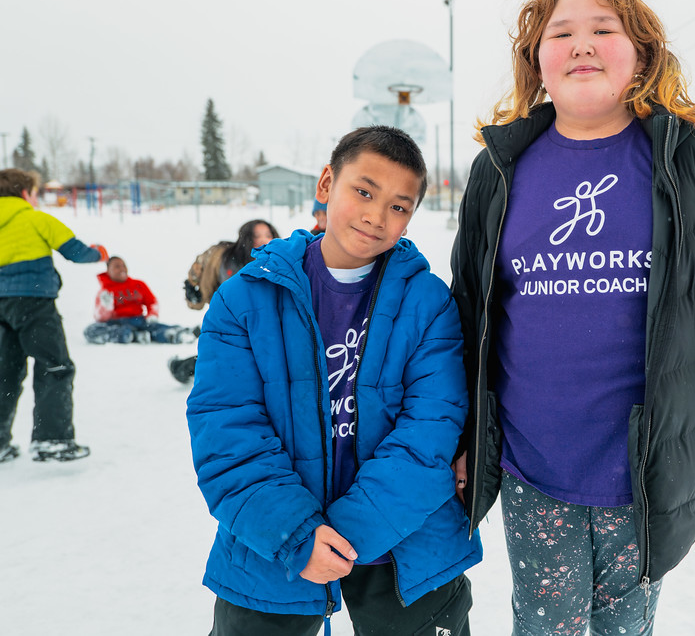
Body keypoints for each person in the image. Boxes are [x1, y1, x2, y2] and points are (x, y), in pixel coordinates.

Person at [450, 0, 695, 635]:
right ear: (536, 58)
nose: (582, 45)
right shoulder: (501, 169)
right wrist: (463, 439)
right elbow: (467, 317)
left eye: (604, 30)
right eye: (561, 33)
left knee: (625, 627)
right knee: (543, 626)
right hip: (531, 464)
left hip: (648, 472)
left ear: (643, 54)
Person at [186, 126, 482, 636]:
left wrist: (345, 534)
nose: (375, 215)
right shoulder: (243, 300)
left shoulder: (428, 303)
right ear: (326, 183)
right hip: (272, 539)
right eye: (363, 191)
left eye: (398, 206)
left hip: (404, 536)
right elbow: (227, 431)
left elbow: (431, 430)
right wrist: (297, 534)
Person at [0, 168, 109, 464]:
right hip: (34, 304)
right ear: (26, 193)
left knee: (5, 373)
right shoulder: (35, 218)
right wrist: (98, 252)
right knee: (54, 366)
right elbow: (75, 251)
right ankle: (52, 440)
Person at [168, 218, 279, 383]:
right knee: (225, 357)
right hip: (232, 324)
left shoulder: (277, 261)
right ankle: (183, 368)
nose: (263, 240)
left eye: (267, 235)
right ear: (246, 238)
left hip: (264, 326)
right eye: (257, 236)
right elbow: (203, 285)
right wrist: (195, 296)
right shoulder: (226, 260)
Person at [83, 256, 198, 344]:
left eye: (123, 265)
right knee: (91, 330)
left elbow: (152, 302)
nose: (122, 268)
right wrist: (105, 307)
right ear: (108, 270)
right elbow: (100, 318)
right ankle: (134, 335)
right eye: (117, 266)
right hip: (117, 324)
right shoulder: (104, 292)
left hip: (138, 320)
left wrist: (152, 315)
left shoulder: (138, 285)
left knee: (157, 327)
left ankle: (180, 334)